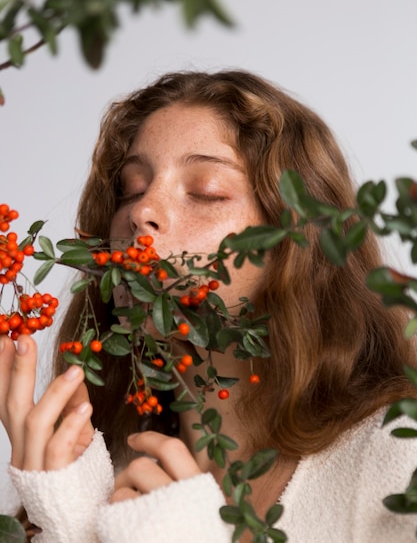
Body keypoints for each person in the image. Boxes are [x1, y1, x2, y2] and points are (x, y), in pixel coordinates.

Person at [0, 69, 416, 543]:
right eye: (131, 190)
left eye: (206, 192)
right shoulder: (91, 476)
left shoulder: (398, 454)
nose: (141, 211)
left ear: (295, 242)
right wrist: (70, 522)